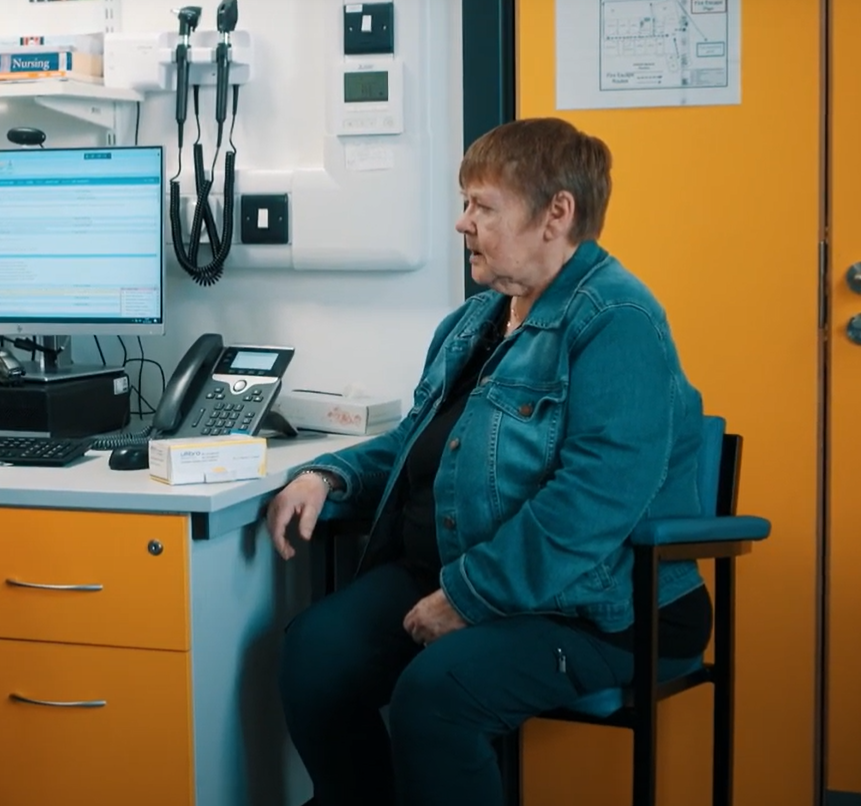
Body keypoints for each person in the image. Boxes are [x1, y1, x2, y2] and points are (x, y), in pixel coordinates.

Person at [267, 117, 713, 806]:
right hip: (455, 564)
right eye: (463, 202)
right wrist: (328, 475)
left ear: (555, 213)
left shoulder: (617, 320)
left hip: (601, 605)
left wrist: (471, 598)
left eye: (481, 205)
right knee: (314, 654)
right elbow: (414, 445)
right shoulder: (473, 322)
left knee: (438, 691)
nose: (461, 223)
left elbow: (593, 500)